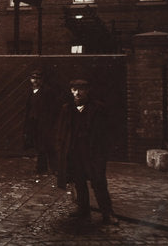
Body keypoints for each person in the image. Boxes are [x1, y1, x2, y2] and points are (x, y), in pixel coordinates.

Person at [56, 79, 118, 226]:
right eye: (74, 89)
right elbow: (61, 132)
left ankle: (107, 213)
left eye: (81, 89)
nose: (77, 93)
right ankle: (83, 210)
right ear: (71, 91)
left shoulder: (97, 109)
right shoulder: (67, 109)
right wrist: (62, 151)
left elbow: (107, 133)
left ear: (87, 91)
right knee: (79, 182)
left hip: (93, 154)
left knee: (99, 183)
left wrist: (103, 154)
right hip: (75, 153)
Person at [22, 68, 60, 177]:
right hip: (33, 123)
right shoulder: (30, 92)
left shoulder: (47, 92)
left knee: (48, 146)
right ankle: (42, 168)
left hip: (45, 124)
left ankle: (53, 169)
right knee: (39, 146)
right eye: (33, 78)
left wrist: (49, 122)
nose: (35, 81)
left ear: (42, 80)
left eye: (38, 78)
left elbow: (53, 108)